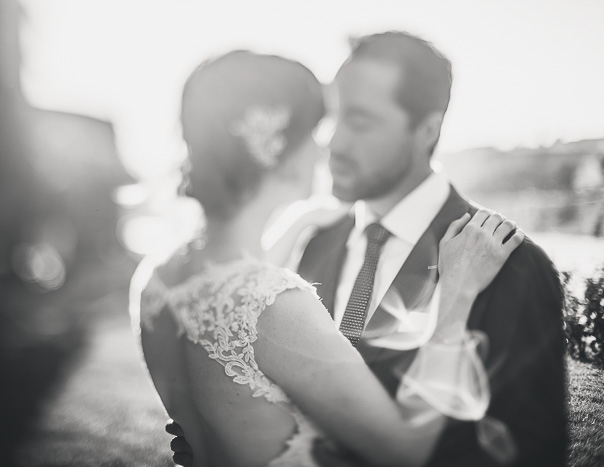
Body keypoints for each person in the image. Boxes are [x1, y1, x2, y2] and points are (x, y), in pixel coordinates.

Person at [133, 49, 525, 467]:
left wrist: (301, 223)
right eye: (319, 131)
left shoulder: (156, 281)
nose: (329, 147)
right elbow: (408, 451)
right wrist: (457, 299)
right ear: (276, 147)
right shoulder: (273, 304)